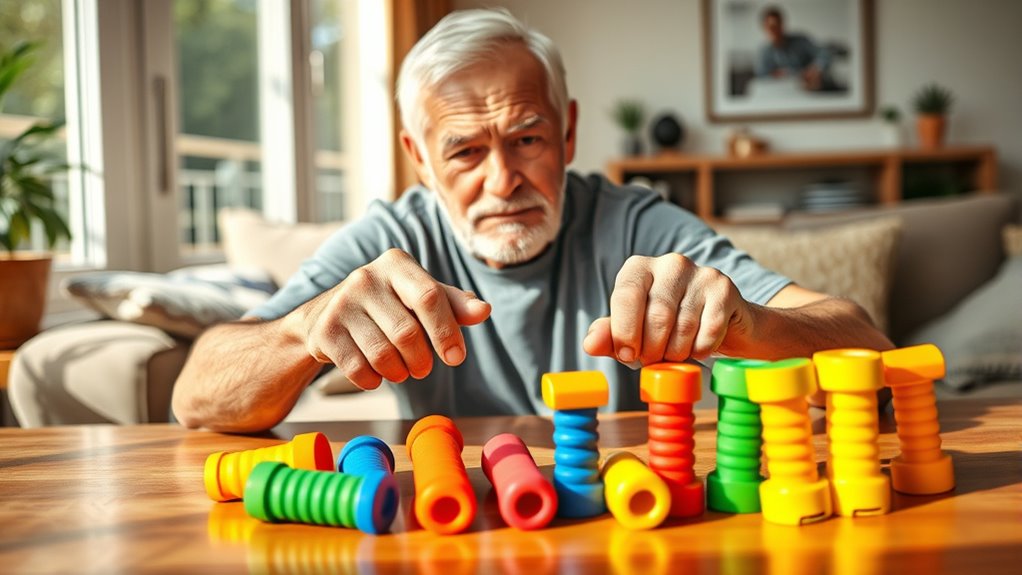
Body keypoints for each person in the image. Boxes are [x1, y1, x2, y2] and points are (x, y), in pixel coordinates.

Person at [172, 9, 891, 432]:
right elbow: (195, 394)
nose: (502, 178)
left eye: (527, 138)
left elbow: (869, 345)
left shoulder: (637, 222)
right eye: (464, 151)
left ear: (569, 133)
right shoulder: (391, 238)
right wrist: (305, 328)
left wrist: (750, 324)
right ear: (418, 158)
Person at [755, 6, 832, 92]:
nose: (774, 31)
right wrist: (777, 76)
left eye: (777, 26)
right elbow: (762, 78)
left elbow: (825, 54)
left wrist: (816, 69)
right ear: (764, 28)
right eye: (771, 27)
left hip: (811, 91)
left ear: (782, 25)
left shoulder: (801, 41)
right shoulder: (764, 52)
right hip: (784, 94)